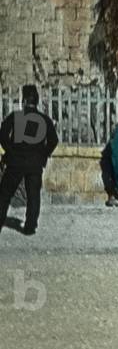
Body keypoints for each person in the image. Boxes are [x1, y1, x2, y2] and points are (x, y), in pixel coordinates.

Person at [0, 84, 60, 236]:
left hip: (15, 162)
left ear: (25, 100)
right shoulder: (45, 120)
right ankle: (30, 227)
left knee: (5, 193)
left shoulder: (16, 117)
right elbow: (53, 140)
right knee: (33, 195)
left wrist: (10, 151)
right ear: (37, 101)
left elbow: (2, 135)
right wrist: (43, 155)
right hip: (35, 163)